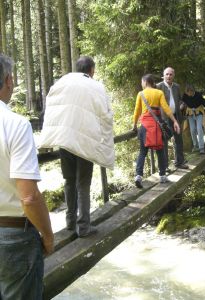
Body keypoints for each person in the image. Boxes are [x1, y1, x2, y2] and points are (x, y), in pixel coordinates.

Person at [39, 56, 115, 237]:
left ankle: (70, 223)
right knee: (83, 184)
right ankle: (84, 226)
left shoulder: (63, 81)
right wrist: (105, 143)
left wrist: (49, 135)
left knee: (69, 181)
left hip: (65, 141)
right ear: (91, 70)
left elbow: (51, 106)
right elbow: (106, 116)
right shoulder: (96, 87)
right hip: (85, 143)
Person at [0, 54, 54, 299]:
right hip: (14, 239)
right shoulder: (16, 125)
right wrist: (48, 236)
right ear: (8, 80)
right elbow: (29, 197)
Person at [133, 74, 180, 188]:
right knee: (160, 151)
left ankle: (138, 176)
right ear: (153, 83)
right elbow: (166, 108)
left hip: (145, 125)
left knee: (142, 152)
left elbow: (137, 111)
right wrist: (174, 121)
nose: (141, 84)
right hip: (157, 124)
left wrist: (134, 125)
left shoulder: (141, 94)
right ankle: (162, 176)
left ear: (144, 82)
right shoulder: (159, 93)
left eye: (142, 82)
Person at [156, 67, 189, 170]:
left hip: (176, 117)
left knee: (178, 140)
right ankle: (164, 166)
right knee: (164, 142)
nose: (169, 76)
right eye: (167, 74)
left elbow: (179, 100)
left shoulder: (177, 87)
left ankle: (179, 162)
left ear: (173, 76)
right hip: (164, 119)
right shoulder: (158, 87)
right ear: (163, 75)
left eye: (170, 74)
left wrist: (182, 104)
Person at [182, 84, 205, 154]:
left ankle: (201, 147)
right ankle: (195, 145)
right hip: (190, 114)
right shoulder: (185, 96)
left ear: (193, 91)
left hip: (199, 113)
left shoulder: (198, 95)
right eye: (187, 93)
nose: (189, 94)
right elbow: (182, 102)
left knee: (199, 129)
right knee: (193, 130)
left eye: (190, 92)